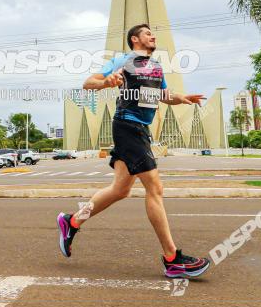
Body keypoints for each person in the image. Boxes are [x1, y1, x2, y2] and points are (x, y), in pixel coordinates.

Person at [57, 24, 211, 278]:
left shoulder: (157, 67)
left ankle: (72, 222)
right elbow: (88, 83)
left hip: (140, 129)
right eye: (148, 33)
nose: (153, 36)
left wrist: (181, 97)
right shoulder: (123, 59)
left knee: (120, 189)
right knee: (155, 187)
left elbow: (162, 95)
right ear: (135, 39)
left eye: (153, 33)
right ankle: (172, 258)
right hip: (127, 125)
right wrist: (107, 82)